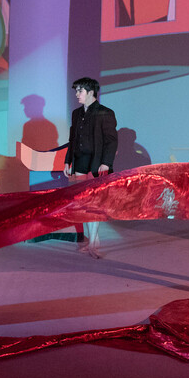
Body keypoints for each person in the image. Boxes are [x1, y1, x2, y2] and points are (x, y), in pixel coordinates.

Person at [64, 77, 118, 258]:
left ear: (90, 92)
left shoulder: (105, 113)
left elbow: (111, 141)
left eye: (80, 91)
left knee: (95, 202)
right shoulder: (76, 113)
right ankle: (92, 240)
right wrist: (67, 161)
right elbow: (72, 139)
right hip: (79, 162)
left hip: (97, 164)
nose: (77, 94)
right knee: (83, 202)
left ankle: (94, 242)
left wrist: (106, 163)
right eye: (76, 91)